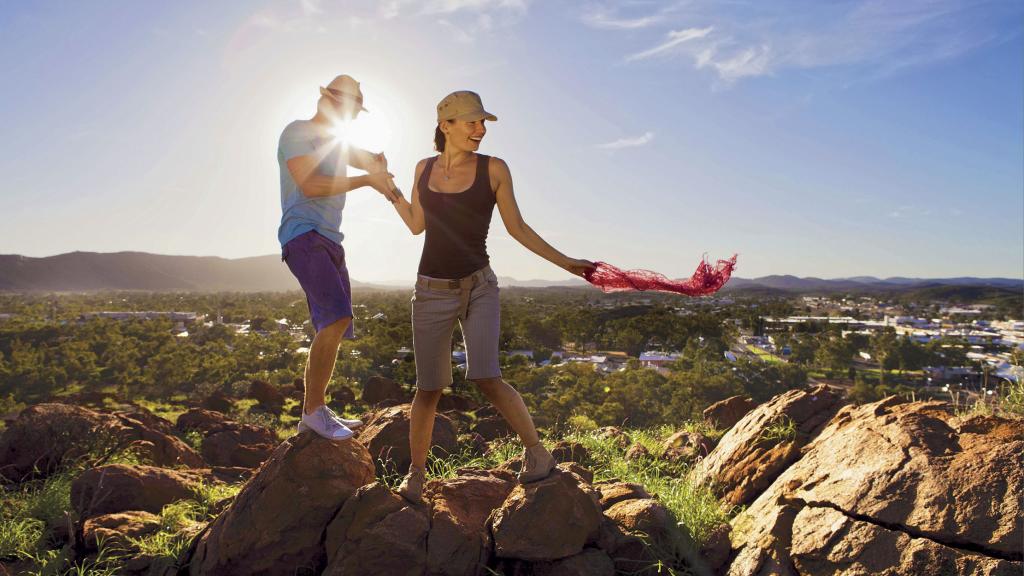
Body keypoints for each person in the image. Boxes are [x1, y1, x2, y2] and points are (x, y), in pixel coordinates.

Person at [388, 91, 593, 503]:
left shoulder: (494, 169)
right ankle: (415, 475)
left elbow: (517, 227)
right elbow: (415, 224)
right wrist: (389, 187)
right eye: (471, 122)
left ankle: (537, 454)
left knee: (486, 375)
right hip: (431, 291)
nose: (481, 130)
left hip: (480, 286)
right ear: (445, 126)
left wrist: (567, 262)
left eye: (483, 123)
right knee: (429, 388)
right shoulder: (423, 169)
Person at [279, 74, 398, 440]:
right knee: (335, 318)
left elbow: (369, 160)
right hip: (304, 235)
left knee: (333, 326)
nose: (351, 116)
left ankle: (315, 411)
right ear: (326, 101)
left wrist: (378, 165)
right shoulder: (297, 132)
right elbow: (310, 184)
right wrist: (367, 180)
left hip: (330, 240)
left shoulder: (337, 143)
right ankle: (313, 413)